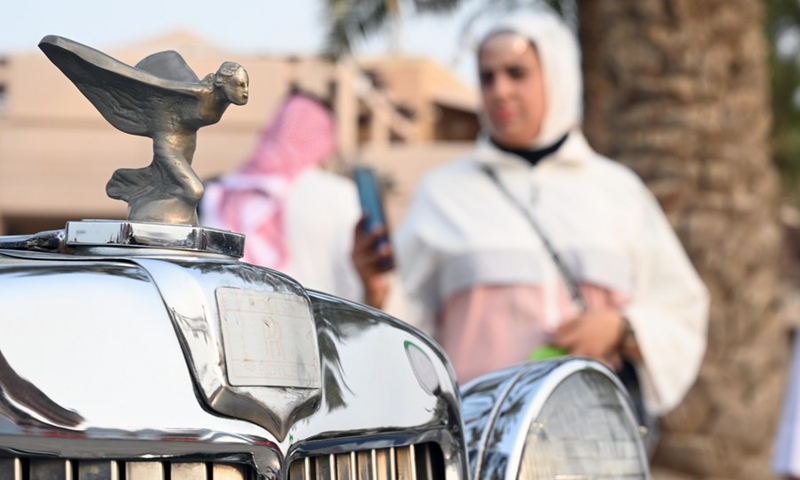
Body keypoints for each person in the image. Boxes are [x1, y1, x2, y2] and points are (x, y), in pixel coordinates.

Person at [384, 10, 709, 421]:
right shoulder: (443, 193)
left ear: (556, 76)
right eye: (487, 76)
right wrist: (377, 284)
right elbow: (403, 323)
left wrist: (621, 327)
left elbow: (681, 306)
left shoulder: (618, 191)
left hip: (593, 439)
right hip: (479, 438)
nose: (500, 90)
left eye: (517, 73)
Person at [200, 92, 365, 302]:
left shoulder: (222, 193)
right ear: (326, 137)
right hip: (319, 326)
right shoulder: (341, 193)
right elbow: (358, 284)